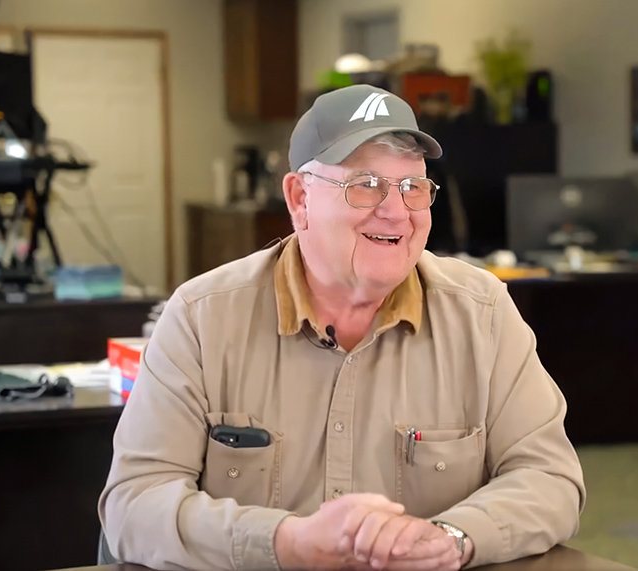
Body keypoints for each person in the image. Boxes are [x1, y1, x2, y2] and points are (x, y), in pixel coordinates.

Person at [99, 85, 585, 571]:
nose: (396, 211)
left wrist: (450, 538)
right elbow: (135, 505)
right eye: (366, 184)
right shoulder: (202, 316)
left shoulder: (483, 313)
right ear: (299, 198)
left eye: (413, 187)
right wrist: (284, 542)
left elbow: (549, 479)